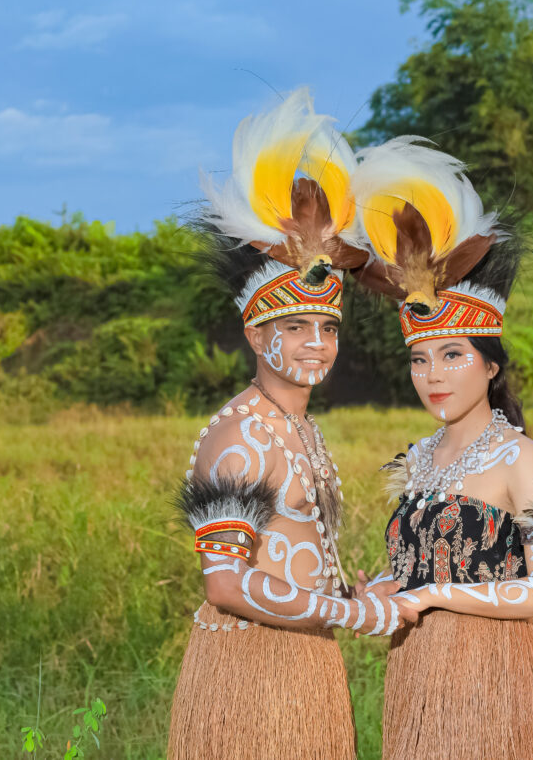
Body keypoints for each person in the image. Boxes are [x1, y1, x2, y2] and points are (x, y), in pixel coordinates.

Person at [168, 90, 402, 760]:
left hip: (306, 670)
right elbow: (225, 584)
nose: (317, 344)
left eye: (328, 327)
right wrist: (350, 612)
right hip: (247, 676)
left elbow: (291, 559)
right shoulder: (240, 436)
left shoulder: (301, 427)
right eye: (295, 326)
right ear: (255, 333)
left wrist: (354, 590)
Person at [351, 137, 533, 760]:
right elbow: (435, 562)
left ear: (490, 366)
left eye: (453, 355)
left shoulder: (520, 458)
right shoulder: (416, 459)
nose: (433, 375)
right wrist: (386, 586)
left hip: (497, 680)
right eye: (420, 359)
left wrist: (432, 594)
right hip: (416, 679)